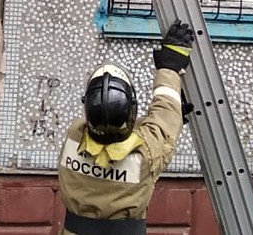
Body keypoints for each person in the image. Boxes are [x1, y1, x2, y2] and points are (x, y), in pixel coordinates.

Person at [57, 20, 195, 235]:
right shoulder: (147, 153)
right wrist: (170, 67)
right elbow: (164, 114)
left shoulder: (74, 137)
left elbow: (111, 139)